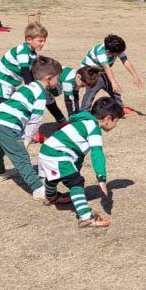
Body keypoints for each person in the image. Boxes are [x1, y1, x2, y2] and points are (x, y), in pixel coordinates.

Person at [38, 97, 124, 229]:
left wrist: (75, 170)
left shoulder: (83, 121)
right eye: (116, 121)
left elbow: (78, 155)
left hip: (46, 150)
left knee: (55, 175)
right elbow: (97, 153)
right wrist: (101, 177)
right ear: (108, 119)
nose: (115, 125)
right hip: (58, 154)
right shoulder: (93, 128)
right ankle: (85, 217)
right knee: (76, 182)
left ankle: (51, 196)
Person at [0, 56, 63, 200]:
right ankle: (38, 189)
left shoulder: (27, 87)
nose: (58, 81)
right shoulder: (40, 94)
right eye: (57, 78)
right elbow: (35, 121)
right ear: (49, 78)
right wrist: (27, 140)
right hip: (8, 125)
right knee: (21, 157)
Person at [80, 35, 144, 114]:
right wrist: (114, 83)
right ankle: (84, 112)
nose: (120, 54)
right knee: (90, 93)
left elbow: (125, 61)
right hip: (90, 72)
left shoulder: (117, 48)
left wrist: (135, 76)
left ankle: (120, 109)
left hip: (102, 71)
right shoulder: (101, 52)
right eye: (118, 53)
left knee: (115, 91)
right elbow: (107, 68)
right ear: (109, 51)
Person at [0, 23, 48, 107]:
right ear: (29, 40)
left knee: (9, 109)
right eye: (40, 41)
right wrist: (31, 89)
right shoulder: (22, 51)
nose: (43, 44)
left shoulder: (33, 54)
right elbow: (25, 71)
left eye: (44, 41)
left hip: (10, 84)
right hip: (1, 81)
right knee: (1, 109)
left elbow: (31, 72)